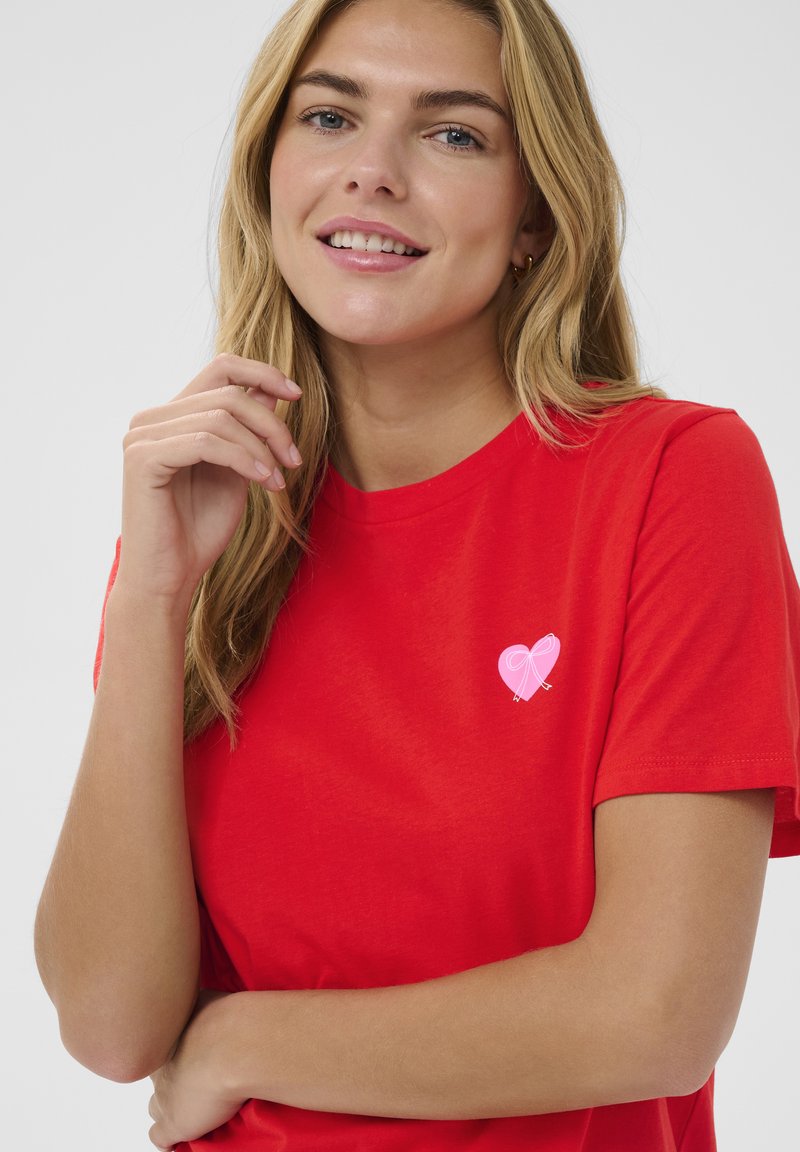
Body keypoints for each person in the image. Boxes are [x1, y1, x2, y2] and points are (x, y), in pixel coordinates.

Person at [33, 0, 800, 1148]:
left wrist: (241, 1043)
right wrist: (147, 597)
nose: (372, 172)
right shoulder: (210, 512)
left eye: (452, 134)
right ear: (267, 173)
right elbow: (109, 1026)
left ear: (533, 212)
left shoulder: (671, 478)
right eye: (329, 117)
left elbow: (654, 1013)